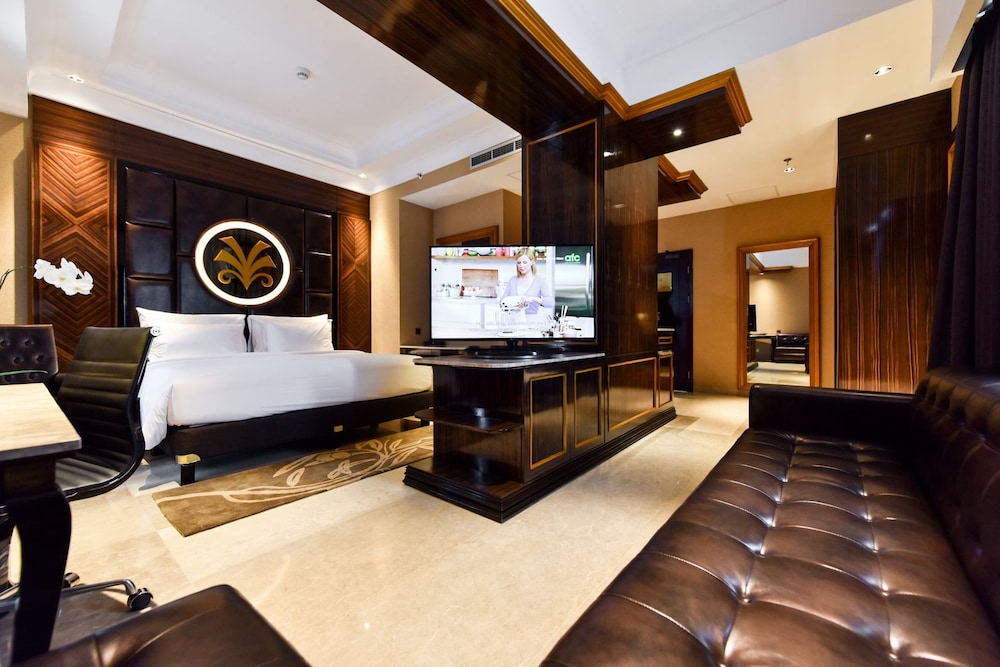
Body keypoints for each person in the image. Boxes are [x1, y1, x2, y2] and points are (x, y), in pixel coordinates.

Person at [501, 247, 554, 315]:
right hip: (512, 320)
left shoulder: (540, 281)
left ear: (532, 262)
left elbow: (550, 303)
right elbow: (502, 302)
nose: (521, 266)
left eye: (525, 262)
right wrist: (512, 304)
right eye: (519, 263)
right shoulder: (512, 280)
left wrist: (533, 299)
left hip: (531, 320)